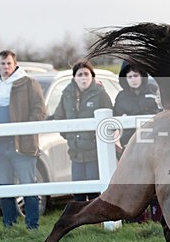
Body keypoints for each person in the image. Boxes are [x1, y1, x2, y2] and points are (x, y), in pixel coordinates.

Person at [0, 50, 46, 229]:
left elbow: (39, 110)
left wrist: (25, 130)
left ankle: (32, 224)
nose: (6, 67)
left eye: (9, 63)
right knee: (4, 186)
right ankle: (9, 224)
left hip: (21, 144)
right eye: (3, 64)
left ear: (15, 64)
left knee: (28, 184)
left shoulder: (29, 83)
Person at [52, 61, 113, 201]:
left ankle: (95, 220)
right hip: (75, 151)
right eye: (80, 74)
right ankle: (80, 221)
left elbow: (109, 119)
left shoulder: (100, 94)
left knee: (94, 191)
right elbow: (59, 117)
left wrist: (94, 137)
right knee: (78, 191)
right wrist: (69, 136)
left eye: (86, 74)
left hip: (94, 152)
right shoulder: (66, 95)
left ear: (92, 76)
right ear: (74, 77)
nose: (83, 77)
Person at [113, 62, 161, 224]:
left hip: (151, 144)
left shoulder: (153, 91)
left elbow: (160, 113)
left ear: (142, 76)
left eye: (136, 75)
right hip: (130, 145)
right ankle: (137, 218)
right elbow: (116, 119)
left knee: (153, 180)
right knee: (134, 182)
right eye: (130, 76)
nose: (133, 79)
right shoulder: (121, 97)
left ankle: (158, 216)